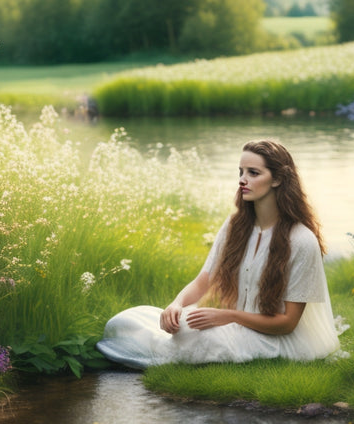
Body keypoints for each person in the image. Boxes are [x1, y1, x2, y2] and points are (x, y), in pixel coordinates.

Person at [96, 140, 340, 369]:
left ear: (277, 179)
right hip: (238, 327)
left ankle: (169, 354)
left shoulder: (301, 240)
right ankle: (171, 341)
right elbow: (205, 280)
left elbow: (287, 324)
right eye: (241, 172)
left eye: (253, 173)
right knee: (128, 323)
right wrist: (177, 304)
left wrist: (228, 316)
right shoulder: (236, 225)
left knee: (201, 339)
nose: (243, 180)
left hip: (280, 340)